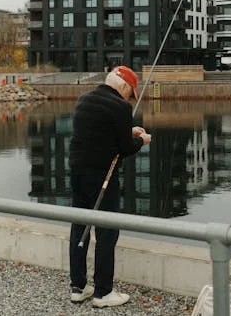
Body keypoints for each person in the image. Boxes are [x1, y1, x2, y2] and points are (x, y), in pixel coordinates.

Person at [68, 65, 152, 308]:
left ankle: (78, 287)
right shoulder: (121, 107)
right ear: (124, 87)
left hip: (77, 173)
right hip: (103, 177)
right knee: (107, 232)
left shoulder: (85, 99)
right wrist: (142, 140)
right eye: (130, 93)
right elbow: (125, 149)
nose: (129, 99)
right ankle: (103, 293)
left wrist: (129, 132)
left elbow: (102, 134)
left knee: (79, 227)